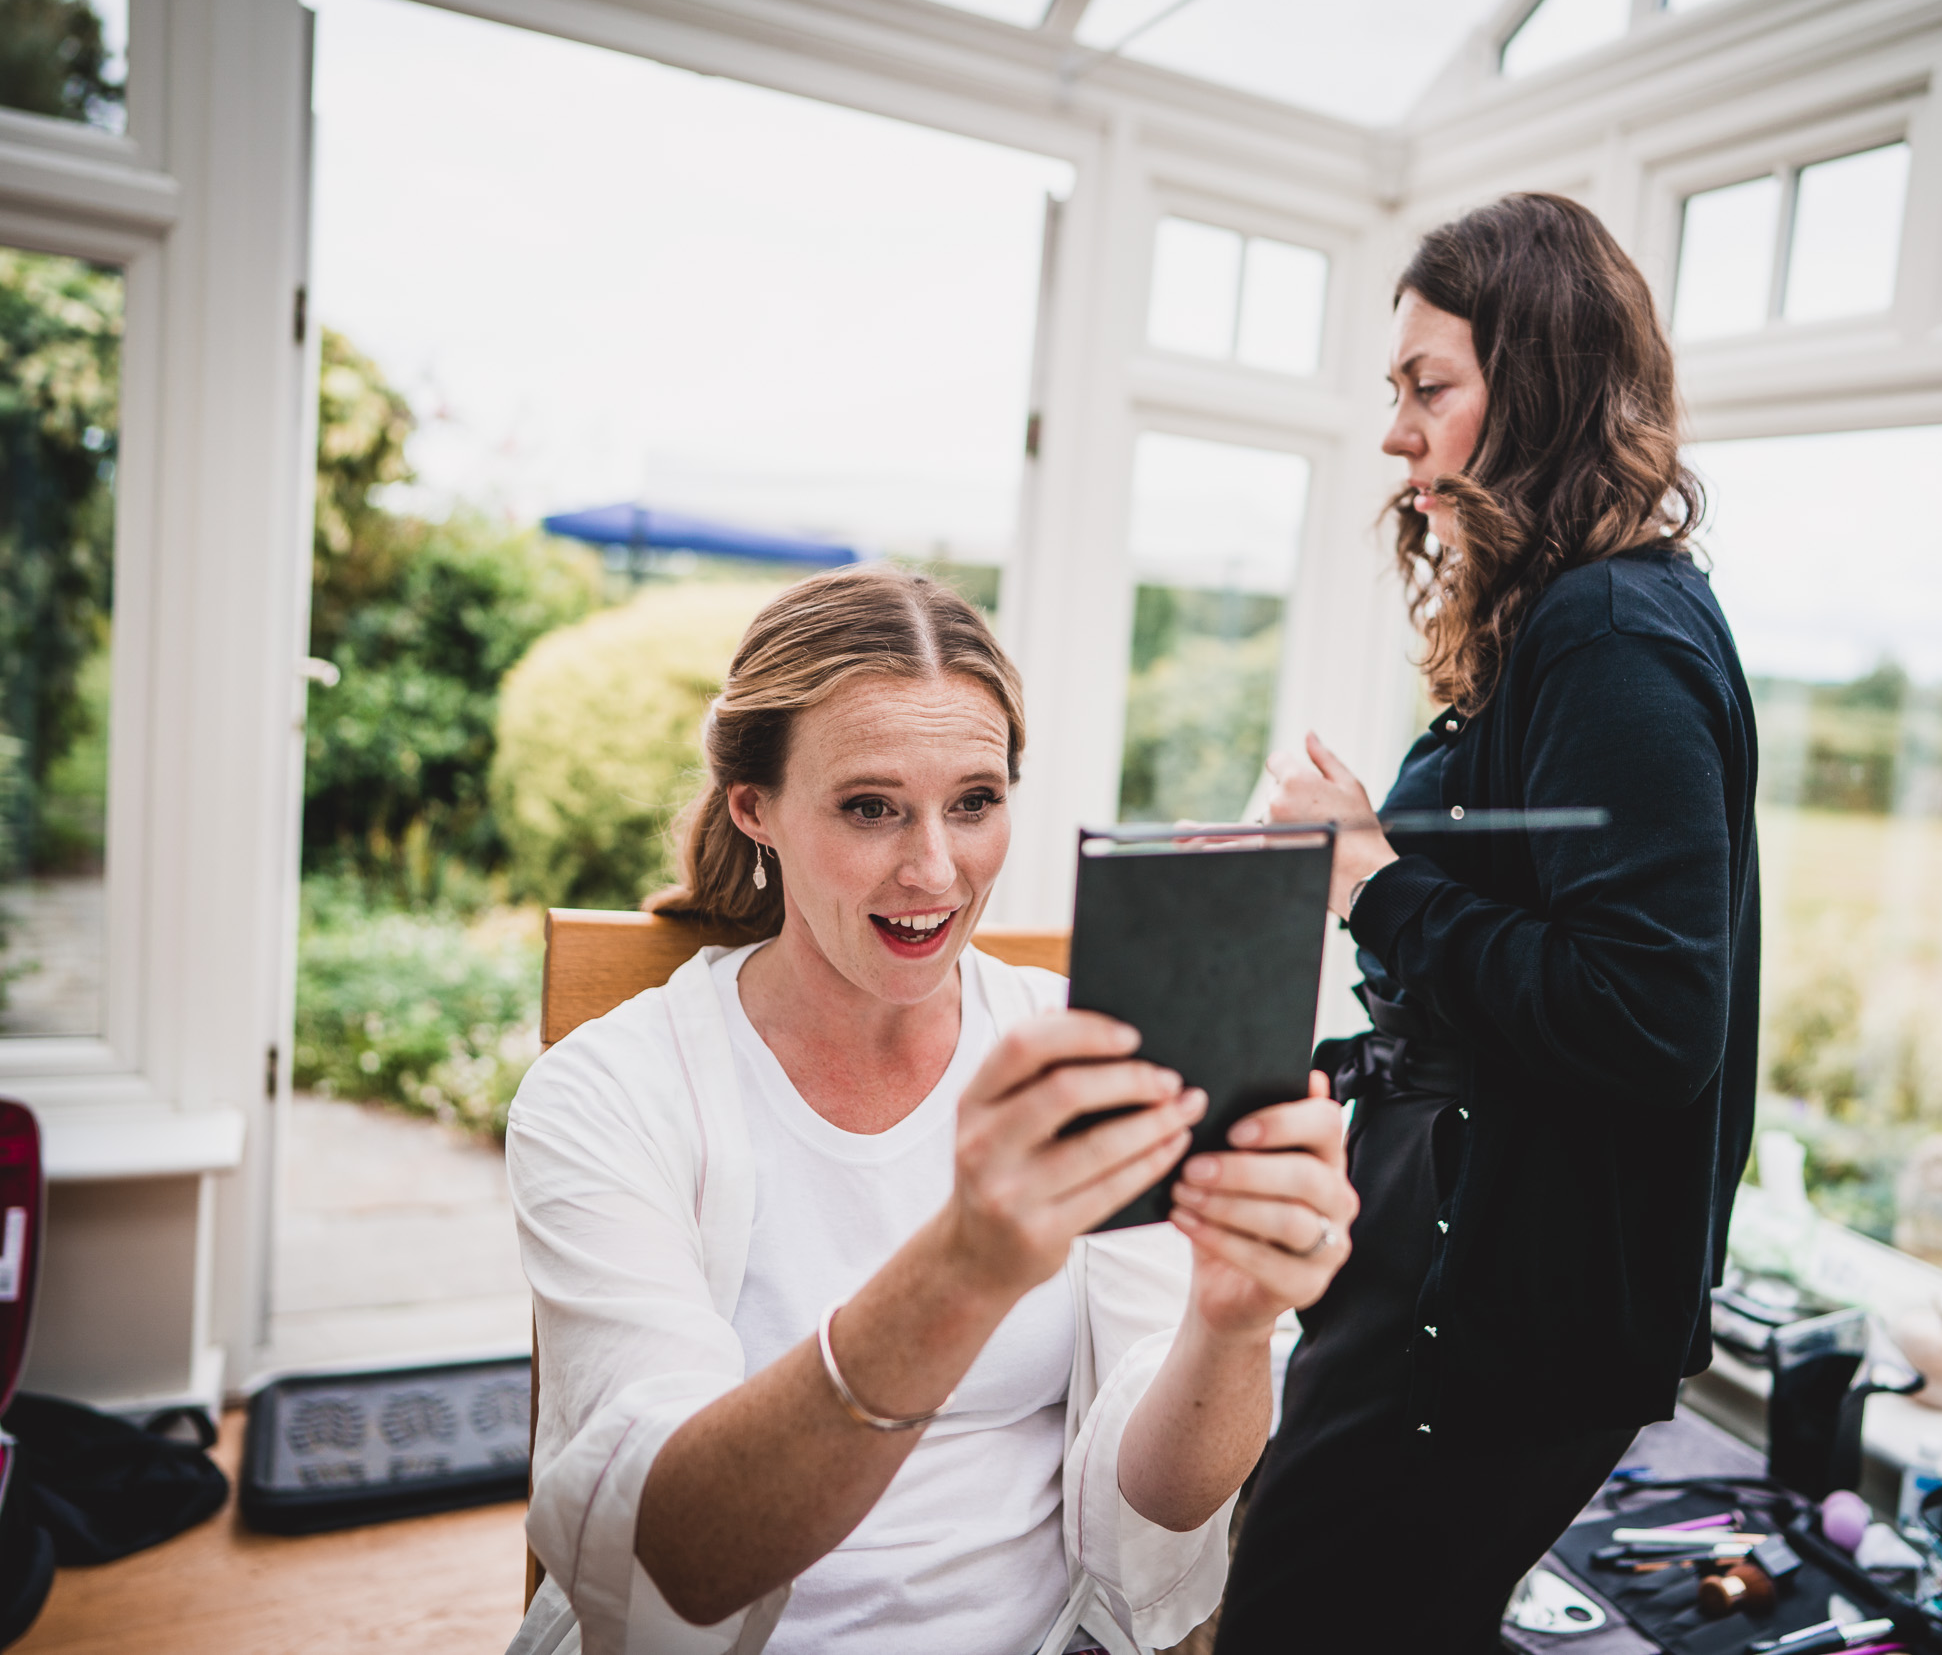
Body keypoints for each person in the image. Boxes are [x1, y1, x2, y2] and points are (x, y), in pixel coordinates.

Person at [504, 566, 1358, 1655]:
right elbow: (680, 1554)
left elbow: (1157, 1503)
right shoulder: (609, 1091)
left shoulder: (1080, 1044)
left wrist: (1227, 1326)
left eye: (974, 801)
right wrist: (967, 1262)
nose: (935, 869)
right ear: (752, 805)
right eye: (870, 806)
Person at [1216, 192, 1761, 1652]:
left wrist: (1370, 873)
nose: (1395, 430)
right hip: (1433, 1272)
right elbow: (1512, 956)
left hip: (1492, 1327)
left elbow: (1648, 1017)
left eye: (1426, 386)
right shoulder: (1557, 624)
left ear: (1538, 389)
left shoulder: (1611, 630)